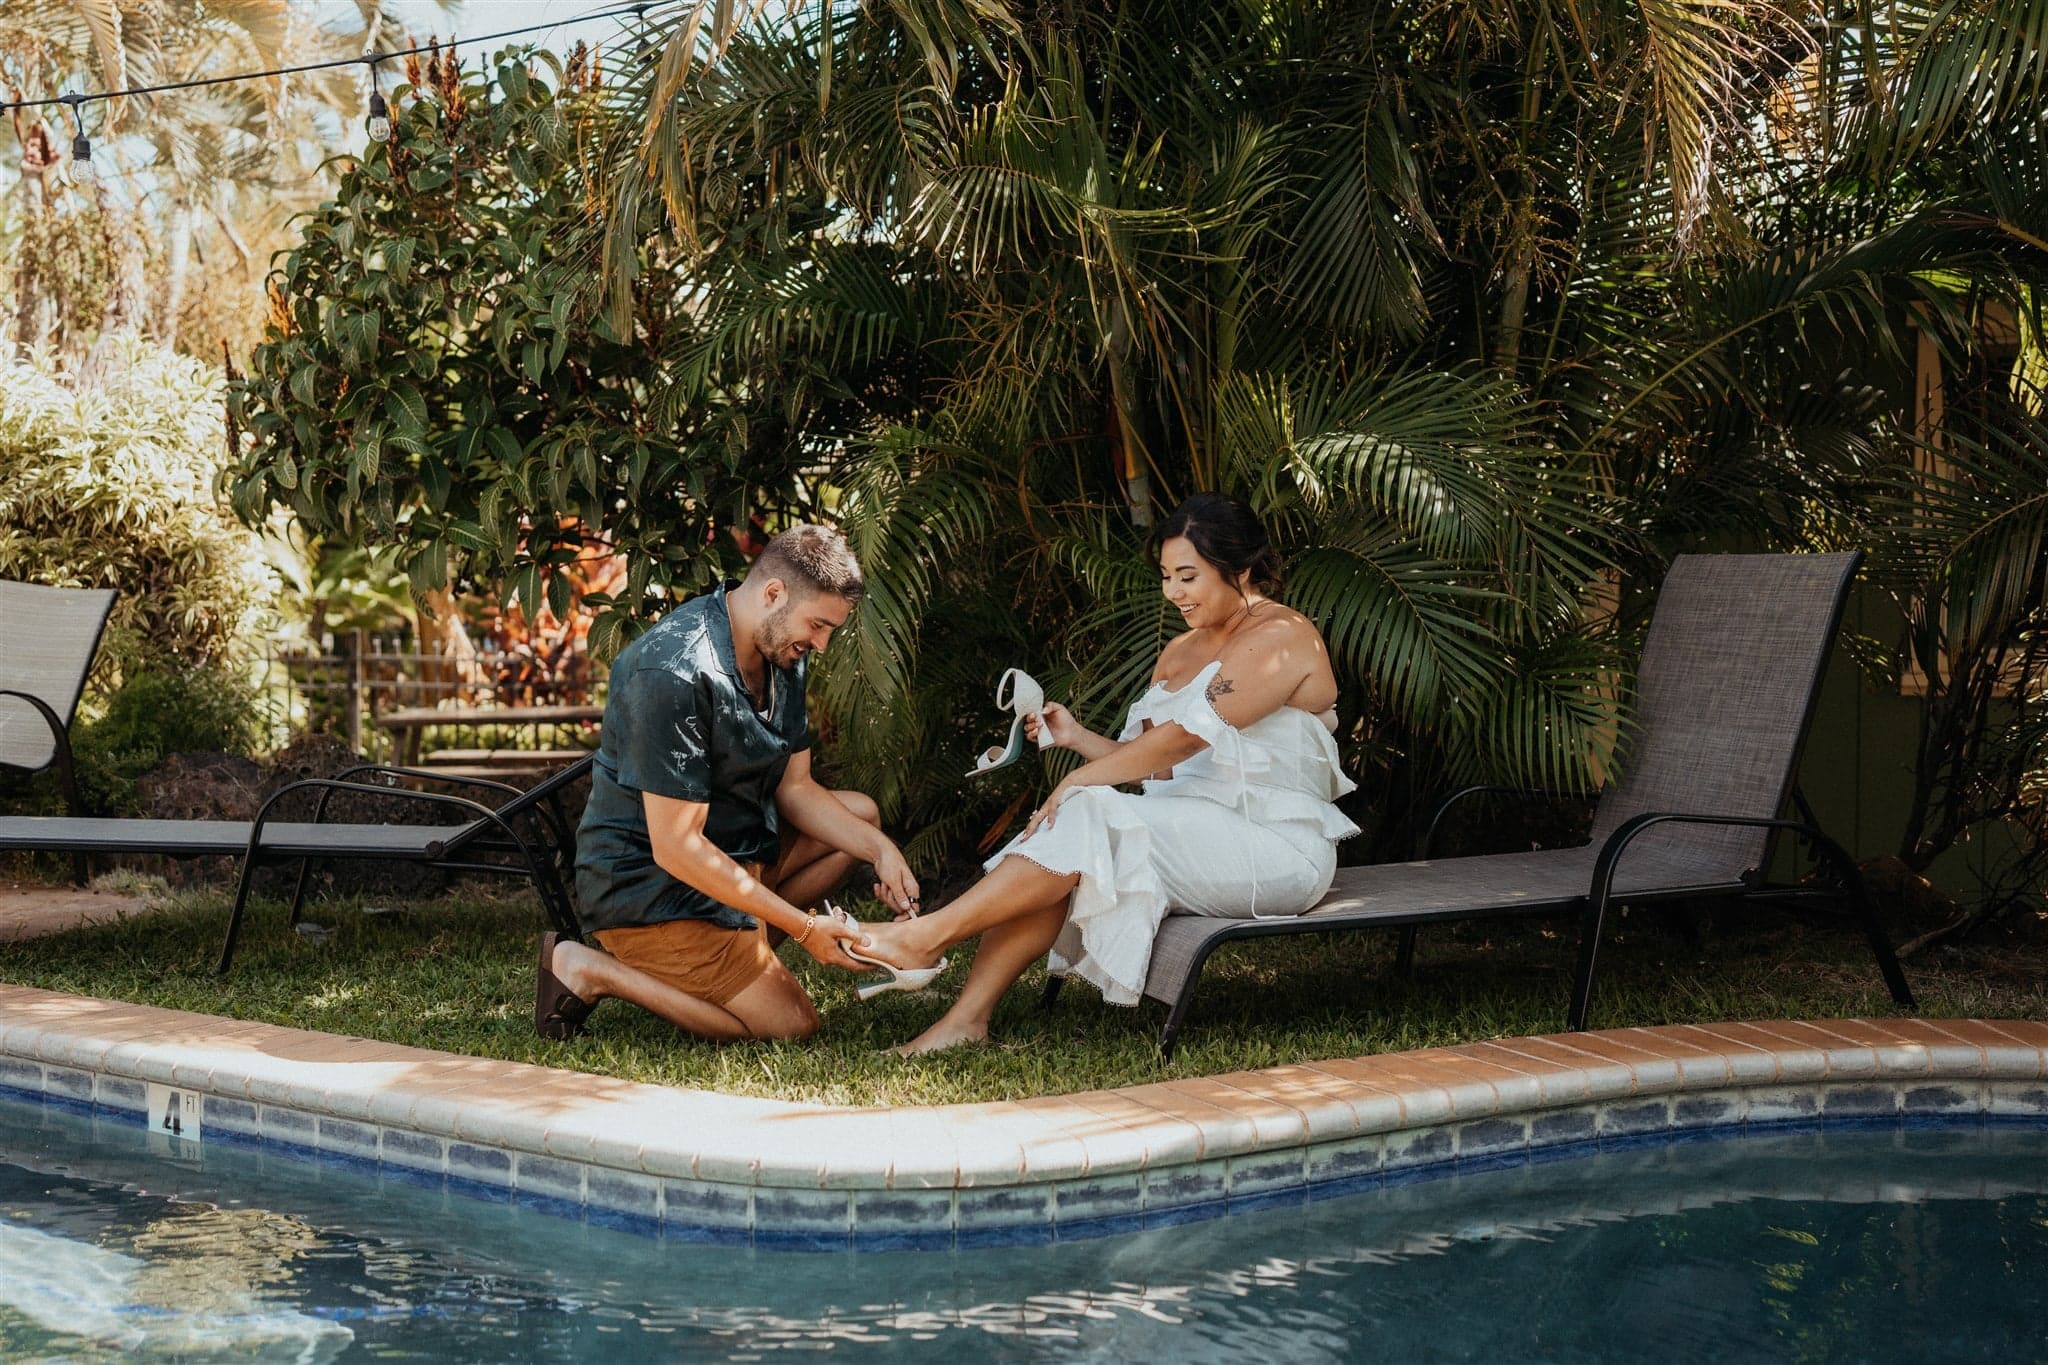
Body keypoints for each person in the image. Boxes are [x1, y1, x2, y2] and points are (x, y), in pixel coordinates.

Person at [858, 493, 1360, 1055]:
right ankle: (965, 1019)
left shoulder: (1284, 635)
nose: (1173, 593)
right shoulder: (1178, 651)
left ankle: (926, 937)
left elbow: (1188, 735)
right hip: (1188, 832)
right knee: (1073, 836)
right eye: (1167, 576)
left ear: (1240, 570)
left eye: (1189, 577)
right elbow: (1157, 763)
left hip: (1275, 848)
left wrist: (1075, 781)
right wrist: (1072, 737)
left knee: (1082, 810)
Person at [535, 524, 914, 1042]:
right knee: (792, 1026)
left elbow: (797, 789)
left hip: (734, 854)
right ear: (773, 593)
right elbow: (676, 848)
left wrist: (882, 852)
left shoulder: (782, 651)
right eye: (818, 625)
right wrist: (804, 930)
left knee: (862, 818)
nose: (822, 645)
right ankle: (593, 970)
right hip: (652, 888)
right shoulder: (672, 670)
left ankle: (740, 950)